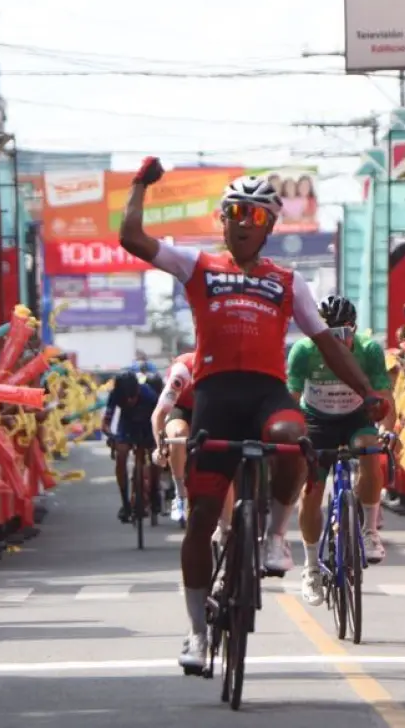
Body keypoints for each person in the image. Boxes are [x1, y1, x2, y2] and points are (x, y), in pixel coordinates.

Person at [117, 156, 388, 670]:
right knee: (200, 517)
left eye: (257, 216)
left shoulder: (288, 282)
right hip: (216, 396)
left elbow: (329, 345)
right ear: (222, 218)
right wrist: (138, 184)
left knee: (292, 436)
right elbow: (132, 237)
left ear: (269, 227)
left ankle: (273, 538)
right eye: (235, 212)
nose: (244, 222)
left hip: (266, 394)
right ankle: (197, 634)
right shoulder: (197, 265)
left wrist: (365, 391)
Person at [288, 295, 394, 606]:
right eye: (329, 333)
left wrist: (387, 428)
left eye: (344, 334)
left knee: (371, 449)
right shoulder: (303, 351)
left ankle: (370, 529)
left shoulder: (370, 350)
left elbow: (385, 397)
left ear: (355, 330)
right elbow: (292, 398)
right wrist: (291, 435)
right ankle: (310, 567)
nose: (338, 341)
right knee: (311, 489)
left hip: (356, 418)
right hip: (316, 421)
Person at [102, 370, 160, 522]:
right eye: (124, 399)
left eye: (132, 397)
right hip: (127, 426)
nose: (129, 402)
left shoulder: (149, 395)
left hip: (148, 425)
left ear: (138, 390)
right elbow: (106, 424)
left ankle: (155, 492)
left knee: (156, 457)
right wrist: (111, 436)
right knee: (121, 455)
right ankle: (125, 503)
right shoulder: (114, 395)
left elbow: (161, 419)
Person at [152, 351, 195, 526]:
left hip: (210, 409)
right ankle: (180, 492)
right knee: (178, 434)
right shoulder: (182, 371)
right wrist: (161, 447)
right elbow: (159, 415)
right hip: (182, 408)